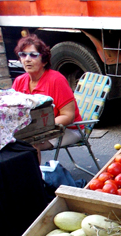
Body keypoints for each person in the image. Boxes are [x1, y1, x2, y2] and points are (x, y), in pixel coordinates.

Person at [11, 35, 83, 163]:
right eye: (23, 55)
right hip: (32, 129)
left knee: (31, 144)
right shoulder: (19, 81)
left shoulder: (56, 80)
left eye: (33, 55)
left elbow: (68, 116)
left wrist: (38, 129)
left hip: (67, 129)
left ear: (44, 61)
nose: (27, 59)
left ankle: (37, 180)